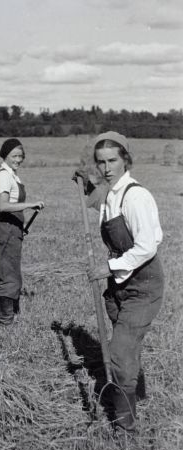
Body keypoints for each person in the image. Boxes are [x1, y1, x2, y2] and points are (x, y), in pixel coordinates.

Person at [81, 131, 164, 433]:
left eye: (112, 160)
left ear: (126, 159)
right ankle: (129, 390)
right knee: (125, 347)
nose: (106, 167)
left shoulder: (136, 196)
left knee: (120, 350)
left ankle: (125, 426)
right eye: (100, 162)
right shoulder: (109, 193)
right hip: (118, 287)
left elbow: (147, 246)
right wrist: (85, 184)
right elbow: (96, 203)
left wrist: (110, 267)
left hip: (142, 284)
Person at [0, 138, 44, 326]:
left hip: (12, 227)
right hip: (5, 227)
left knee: (9, 269)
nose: (18, 159)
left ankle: (6, 309)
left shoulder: (12, 175)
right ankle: (6, 321)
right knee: (10, 273)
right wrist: (30, 205)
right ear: (5, 155)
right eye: (14, 155)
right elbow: (4, 206)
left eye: (21, 156)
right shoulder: (4, 176)